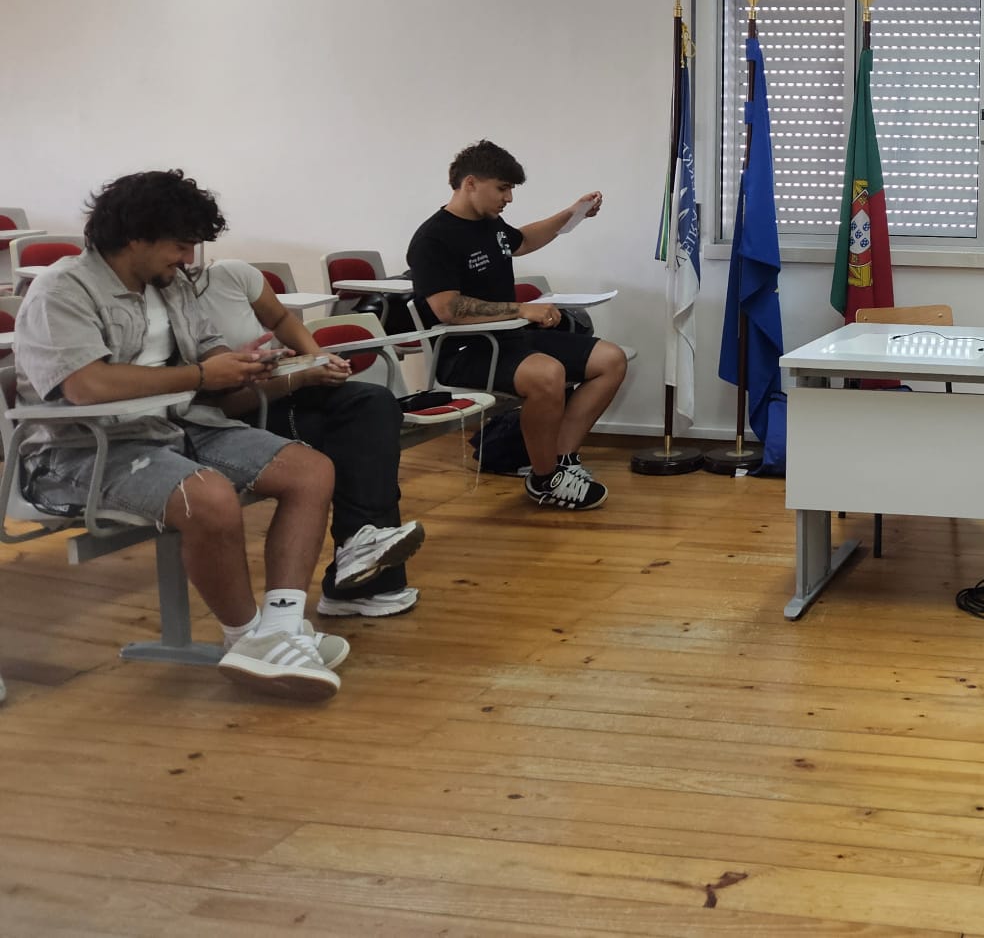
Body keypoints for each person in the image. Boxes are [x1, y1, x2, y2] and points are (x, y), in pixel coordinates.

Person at [11, 171, 347, 699]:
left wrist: (244, 365)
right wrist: (202, 375)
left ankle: (280, 629)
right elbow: (86, 386)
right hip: (81, 448)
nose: (189, 258)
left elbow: (209, 349)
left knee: (310, 471)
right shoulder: (62, 289)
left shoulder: (171, 283)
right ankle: (246, 641)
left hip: (177, 423)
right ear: (135, 236)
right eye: (180, 244)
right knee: (207, 497)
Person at [190, 259, 424, 617]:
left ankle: (358, 552)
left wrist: (318, 358)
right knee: (359, 440)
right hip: (241, 413)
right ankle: (363, 577)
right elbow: (228, 402)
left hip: (279, 388)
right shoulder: (168, 302)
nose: (188, 256)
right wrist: (300, 377)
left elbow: (282, 319)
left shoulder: (231, 274)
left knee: (375, 403)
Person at [407, 140, 627, 510]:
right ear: (471, 183)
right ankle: (544, 480)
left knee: (611, 360)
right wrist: (521, 309)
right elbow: (447, 308)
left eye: (510, 189)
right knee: (547, 374)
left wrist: (572, 214)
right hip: (465, 349)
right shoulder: (433, 238)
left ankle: (561, 463)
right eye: (502, 188)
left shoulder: (490, 224)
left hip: (509, 339)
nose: (508, 198)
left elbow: (523, 240)